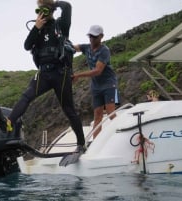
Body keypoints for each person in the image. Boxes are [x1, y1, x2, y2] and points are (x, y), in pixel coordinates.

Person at [7, 0, 86, 152]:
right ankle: (9, 121)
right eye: (39, 10)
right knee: (26, 96)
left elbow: (67, 7)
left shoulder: (61, 25)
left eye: (45, 10)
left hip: (60, 74)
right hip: (44, 73)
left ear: (51, 10)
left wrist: (52, 4)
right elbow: (27, 46)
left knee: (69, 110)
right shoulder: (38, 29)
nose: (42, 13)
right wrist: (36, 28)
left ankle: (81, 144)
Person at [72, 25, 119, 139]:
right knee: (97, 114)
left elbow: (98, 71)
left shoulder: (104, 51)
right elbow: (74, 47)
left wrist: (78, 75)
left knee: (110, 113)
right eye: (90, 36)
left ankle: (120, 134)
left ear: (101, 36)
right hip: (96, 86)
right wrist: (64, 46)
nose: (92, 39)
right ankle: (95, 142)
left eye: (94, 37)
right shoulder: (86, 47)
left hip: (108, 83)